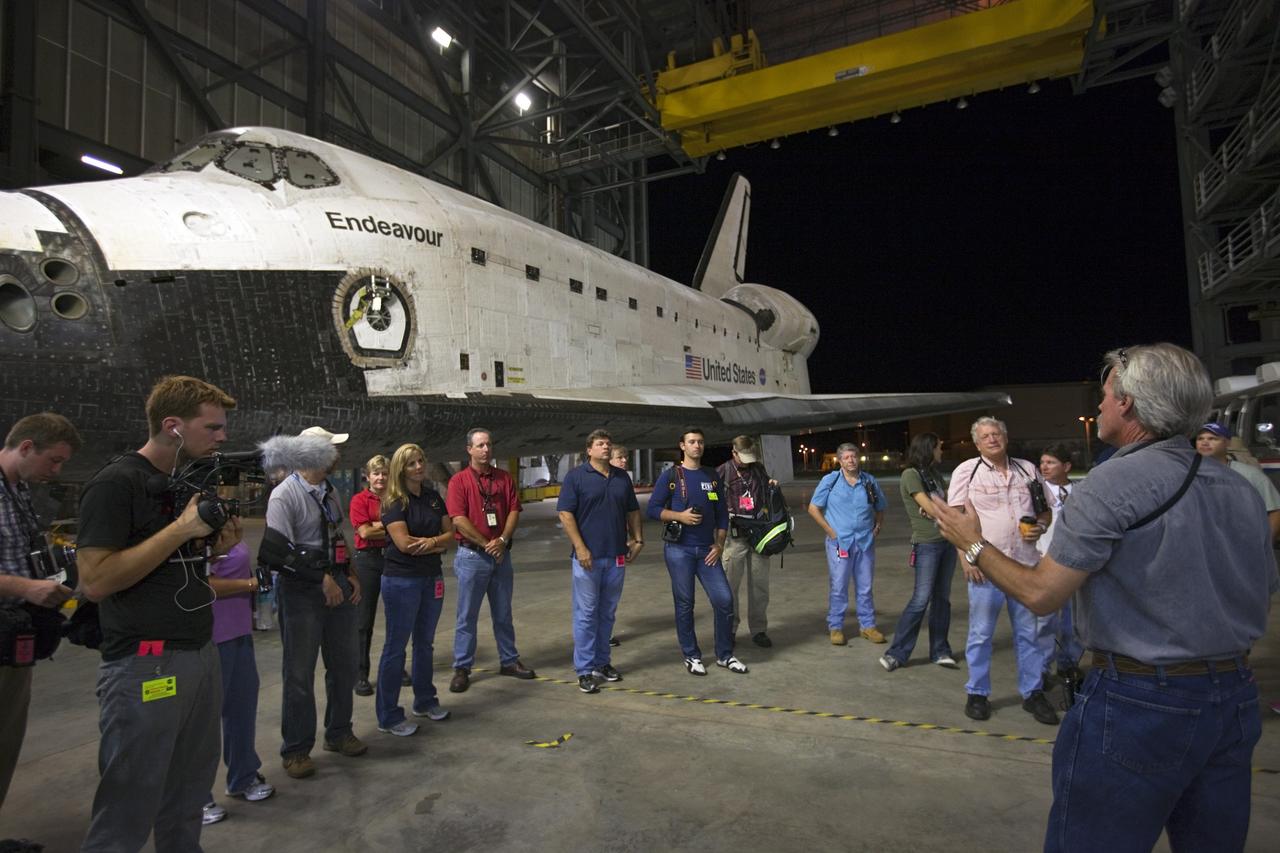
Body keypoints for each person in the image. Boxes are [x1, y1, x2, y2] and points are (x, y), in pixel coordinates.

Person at [930, 343, 1276, 852]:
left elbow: (1042, 594)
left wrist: (971, 544)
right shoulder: (1240, 489)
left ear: (1129, 404)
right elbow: (1262, 588)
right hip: (1235, 699)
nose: (1098, 407)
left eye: (1105, 396)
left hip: (1143, 703)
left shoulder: (1111, 483)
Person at [76, 377, 240, 852]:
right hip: (145, 662)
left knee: (189, 793)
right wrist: (181, 529)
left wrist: (209, 547)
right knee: (129, 802)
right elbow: (96, 581)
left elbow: (170, 572)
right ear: (172, 427)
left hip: (197, 652)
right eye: (212, 427)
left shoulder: (176, 485)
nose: (221, 437)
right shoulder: (115, 483)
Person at [267, 427, 365, 777]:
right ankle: (296, 749)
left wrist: (350, 573)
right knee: (298, 672)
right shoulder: (284, 495)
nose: (336, 454)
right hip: (301, 593)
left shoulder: (330, 491)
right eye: (329, 448)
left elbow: (339, 535)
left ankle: (339, 732)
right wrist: (321, 579)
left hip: (336, 584)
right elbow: (278, 555)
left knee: (344, 665)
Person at [947, 417, 1056, 725]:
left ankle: (1033, 693)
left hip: (1024, 565)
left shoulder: (1027, 469)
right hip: (987, 566)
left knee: (1028, 633)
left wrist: (1041, 527)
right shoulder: (967, 472)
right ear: (977, 443)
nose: (993, 439)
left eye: (997, 433)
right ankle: (977, 693)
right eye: (986, 436)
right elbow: (955, 520)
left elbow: (1044, 510)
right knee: (981, 633)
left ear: (1006, 437)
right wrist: (966, 558)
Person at [0, 413, 79, 815]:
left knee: (7, 741)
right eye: (54, 460)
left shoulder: (20, 489)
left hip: (16, 638)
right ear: (27, 447)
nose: (57, 471)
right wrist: (26, 587)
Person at [648, 428, 746, 676]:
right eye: (691, 442)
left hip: (707, 552)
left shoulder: (711, 476)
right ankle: (691, 655)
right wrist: (679, 516)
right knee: (685, 604)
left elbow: (722, 514)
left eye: (701, 442)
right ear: (682, 446)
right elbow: (653, 509)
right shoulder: (671, 476)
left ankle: (724, 655)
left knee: (724, 600)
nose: (697, 446)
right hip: (679, 551)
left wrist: (719, 544)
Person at [445, 428, 535, 695]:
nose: (486, 449)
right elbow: (458, 519)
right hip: (472, 556)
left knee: (503, 613)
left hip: (500, 557)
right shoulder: (459, 482)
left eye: (489, 445)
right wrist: (487, 544)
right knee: (466, 616)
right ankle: (462, 667)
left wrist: (503, 540)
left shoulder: (504, 479)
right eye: (480, 445)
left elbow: (514, 510)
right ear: (469, 450)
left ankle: (509, 660)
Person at [556, 430, 643, 693]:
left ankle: (602, 663)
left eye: (608, 443)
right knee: (586, 615)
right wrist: (580, 548)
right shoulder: (576, 477)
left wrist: (638, 539)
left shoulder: (621, 479)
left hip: (616, 557)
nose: (606, 447)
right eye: (600, 444)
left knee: (607, 613)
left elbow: (632, 510)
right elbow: (565, 514)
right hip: (588, 560)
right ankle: (584, 670)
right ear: (589, 450)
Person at [375, 444, 453, 736]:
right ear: (400, 469)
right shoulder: (394, 501)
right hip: (401, 581)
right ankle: (389, 715)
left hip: (431, 577)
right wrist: (435, 542)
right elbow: (404, 545)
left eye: (421, 461)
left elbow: (451, 535)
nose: (419, 467)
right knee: (396, 648)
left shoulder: (433, 498)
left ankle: (425, 701)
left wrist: (431, 543)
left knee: (425, 643)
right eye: (411, 464)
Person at [202, 540, 274, 826]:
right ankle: (195, 796)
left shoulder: (227, 524)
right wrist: (250, 585)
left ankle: (243, 776)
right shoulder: (195, 533)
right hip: (209, 636)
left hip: (239, 631)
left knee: (241, 708)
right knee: (203, 720)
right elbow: (202, 585)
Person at [880, 432, 956, 671]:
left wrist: (939, 509)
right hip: (927, 544)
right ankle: (897, 653)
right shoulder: (910, 475)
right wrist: (936, 509)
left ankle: (940, 650)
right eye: (938, 447)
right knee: (921, 599)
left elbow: (948, 504)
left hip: (947, 542)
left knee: (942, 599)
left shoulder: (933, 474)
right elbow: (932, 508)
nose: (941, 451)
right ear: (928, 448)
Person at [807, 443, 888, 645]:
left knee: (865, 586)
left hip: (864, 542)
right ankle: (836, 626)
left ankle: (868, 626)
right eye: (846, 457)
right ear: (840, 461)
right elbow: (813, 508)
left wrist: (878, 525)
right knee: (839, 586)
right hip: (839, 543)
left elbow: (880, 506)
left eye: (854, 456)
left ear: (858, 458)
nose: (851, 460)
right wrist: (830, 531)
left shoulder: (869, 481)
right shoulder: (830, 481)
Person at [349, 455, 407, 697]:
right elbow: (364, 532)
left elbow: (407, 528)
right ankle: (360, 674)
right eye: (376, 473)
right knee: (364, 621)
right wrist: (392, 526)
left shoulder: (397, 499)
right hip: (368, 561)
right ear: (368, 476)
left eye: (384, 473)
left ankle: (396, 668)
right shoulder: (359, 500)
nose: (381, 477)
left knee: (398, 619)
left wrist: (378, 525)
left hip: (394, 558)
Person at [717, 435, 776, 648]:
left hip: (759, 535)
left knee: (760, 585)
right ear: (733, 453)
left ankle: (759, 629)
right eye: (743, 457)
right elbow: (712, 501)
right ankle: (730, 629)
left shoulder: (758, 469)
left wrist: (771, 486)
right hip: (734, 538)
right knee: (729, 586)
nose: (747, 461)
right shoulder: (722, 471)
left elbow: (764, 492)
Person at [1034, 444, 1084, 683]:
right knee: (1045, 621)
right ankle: (1042, 667)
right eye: (1042, 462)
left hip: (1075, 564)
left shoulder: (1080, 492)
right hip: (1046, 562)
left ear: (1066, 467)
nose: (1044, 466)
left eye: (1050, 462)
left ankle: (1069, 663)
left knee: (1073, 620)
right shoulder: (1036, 491)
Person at [1195, 422, 1280, 541]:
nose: (1204, 442)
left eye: (1213, 438)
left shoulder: (1250, 474)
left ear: (1227, 443)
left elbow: (1275, 511)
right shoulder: (1186, 474)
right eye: (1200, 439)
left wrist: (1265, 545)